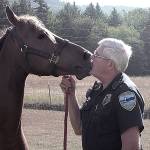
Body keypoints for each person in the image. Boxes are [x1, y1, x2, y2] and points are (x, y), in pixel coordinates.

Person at [60, 38, 144, 150]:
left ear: (110, 64)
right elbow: (79, 128)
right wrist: (70, 95)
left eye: (96, 55)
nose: (91, 58)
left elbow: (132, 146)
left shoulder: (125, 94)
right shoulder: (97, 89)